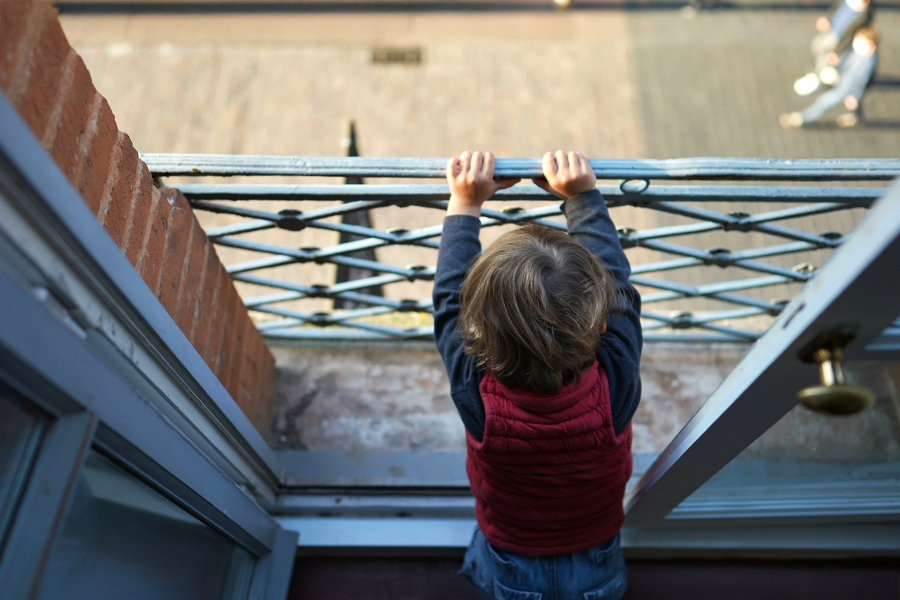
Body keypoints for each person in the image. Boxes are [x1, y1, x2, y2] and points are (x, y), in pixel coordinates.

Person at [433, 150, 642, 600]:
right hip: (598, 553)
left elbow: (449, 301)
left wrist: (465, 203)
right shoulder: (617, 384)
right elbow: (619, 287)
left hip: (512, 556)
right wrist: (582, 198)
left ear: (477, 333)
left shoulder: (476, 395)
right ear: (601, 324)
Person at [782, 26, 878, 128]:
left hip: (845, 89)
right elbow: (846, 62)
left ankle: (800, 119)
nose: (857, 42)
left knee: (823, 102)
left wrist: (854, 96)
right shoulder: (860, 53)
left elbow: (861, 81)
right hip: (842, 82)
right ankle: (856, 117)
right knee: (851, 103)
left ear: (872, 45)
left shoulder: (866, 62)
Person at [793, 0, 874, 96]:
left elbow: (851, 37)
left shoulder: (864, 16)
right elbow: (837, 8)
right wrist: (827, 19)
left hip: (838, 40)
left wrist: (837, 52)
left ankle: (818, 78)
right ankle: (819, 73)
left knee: (826, 58)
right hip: (831, 30)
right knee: (817, 47)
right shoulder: (849, 2)